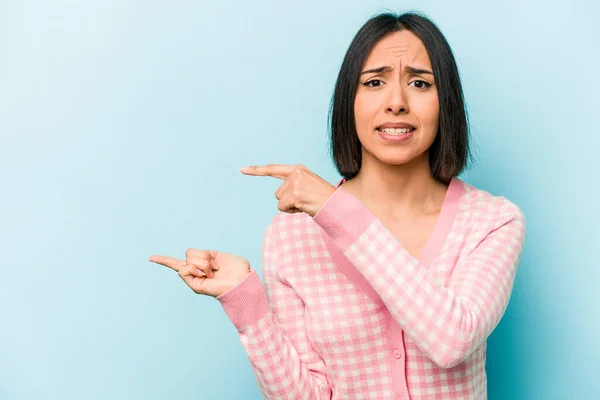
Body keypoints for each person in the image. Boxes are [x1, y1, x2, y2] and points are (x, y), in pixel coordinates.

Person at [149, 11, 526, 400]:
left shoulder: (492, 222)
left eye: (419, 82)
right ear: (349, 100)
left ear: (445, 102)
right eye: (375, 82)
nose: (396, 102)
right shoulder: (290, 237)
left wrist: (338, 212)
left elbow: (451, 339)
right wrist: (247, 305)